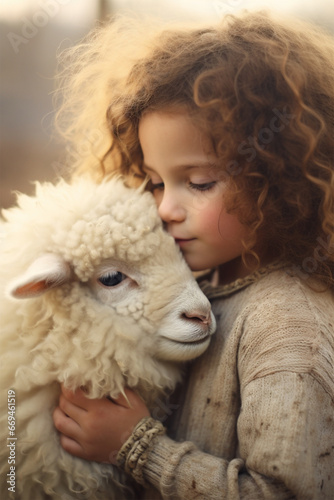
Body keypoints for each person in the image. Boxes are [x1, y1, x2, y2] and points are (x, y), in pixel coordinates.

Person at [52, 10, 334, 499]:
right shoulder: (198, 282)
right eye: (156, 182)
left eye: (198, 182)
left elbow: (287, 492)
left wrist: (136, 446)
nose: (165, 207)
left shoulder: (287, 326)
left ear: (281, 178)